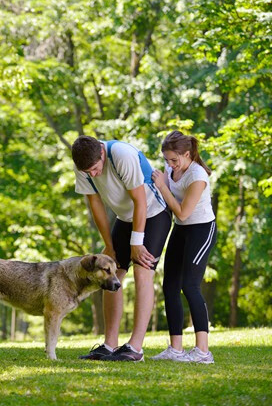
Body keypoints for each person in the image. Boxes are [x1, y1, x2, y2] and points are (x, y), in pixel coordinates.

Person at [72, 135, 171, 362]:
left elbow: (140, 201)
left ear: (102, 153)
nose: (93, 175)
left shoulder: (122, 155)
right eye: (88, 172)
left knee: (142, 271)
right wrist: (109, 245)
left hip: (154, 212)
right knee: (109, 274)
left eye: (95, 169)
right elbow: (95, 203)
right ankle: (110, 345)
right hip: (125, 217)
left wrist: (137, 243)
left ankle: (135, 349)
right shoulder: (84, 165)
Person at [150, 131, 217, 364]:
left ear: (187, 154)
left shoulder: (197, 176)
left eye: (174, 160)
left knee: (190, 286)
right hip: (181, 229)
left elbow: (183, 211)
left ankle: (203, 352)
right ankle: (175, 349)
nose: (169, 165)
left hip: (201, 230)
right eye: (167, 160)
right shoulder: (171, 168)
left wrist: (162, 186)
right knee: (169, 286)